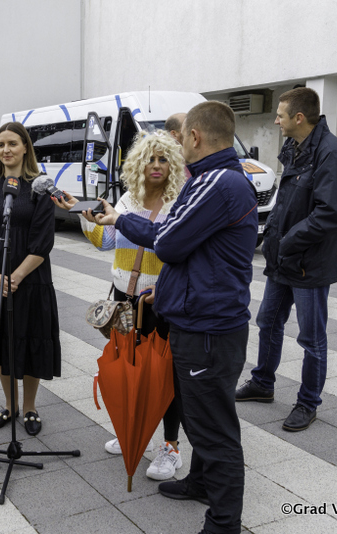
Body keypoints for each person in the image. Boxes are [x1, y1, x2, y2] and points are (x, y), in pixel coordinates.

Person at [90, 101, 257, 534]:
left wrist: (121, 219)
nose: (177, 146)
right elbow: (195, 252)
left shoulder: (217, 182)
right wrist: (162, 289)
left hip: (208, 328)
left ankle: (223, 524)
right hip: (202, 319)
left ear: (195, 137)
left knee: (213, 430)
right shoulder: (213, 179)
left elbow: (168, 242)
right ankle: (200, 483)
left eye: (181, 138)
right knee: (203, 420)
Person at [51, 131, 186, 480]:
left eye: (163, 159)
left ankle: (171, 447)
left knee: (164, 374)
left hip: (161, 301)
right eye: (150, 158)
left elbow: (180, 252)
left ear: (173, 164)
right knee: (131, 367)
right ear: (138, 163)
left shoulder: (180, 202)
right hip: (124, 299)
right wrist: (83, 216)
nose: (156, 165)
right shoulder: (128, 199)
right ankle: (135, 430)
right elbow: (107, 240)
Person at [236, 87, 337, 432]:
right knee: (268, 322)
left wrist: (288, 240)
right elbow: (288, 201)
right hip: (284, 258)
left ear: (299, 118)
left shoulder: (330, 151)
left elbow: (333, 212)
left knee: (311, 338)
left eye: (280, 115)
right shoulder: (295, 147)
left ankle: (308, 403)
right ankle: (263, 383)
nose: (276, 121)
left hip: (309, 263)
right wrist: (275, 239)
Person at [0, 121, 60, 436]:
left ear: (25, 148)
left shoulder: (40, 186)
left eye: (12, 143)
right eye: (1, 145)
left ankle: (30, 407)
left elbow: (43, 242)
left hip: (30, 281)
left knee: (32, 339)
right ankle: (10, 405)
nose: (6, 150)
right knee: (2, 343)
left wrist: (16, 277)